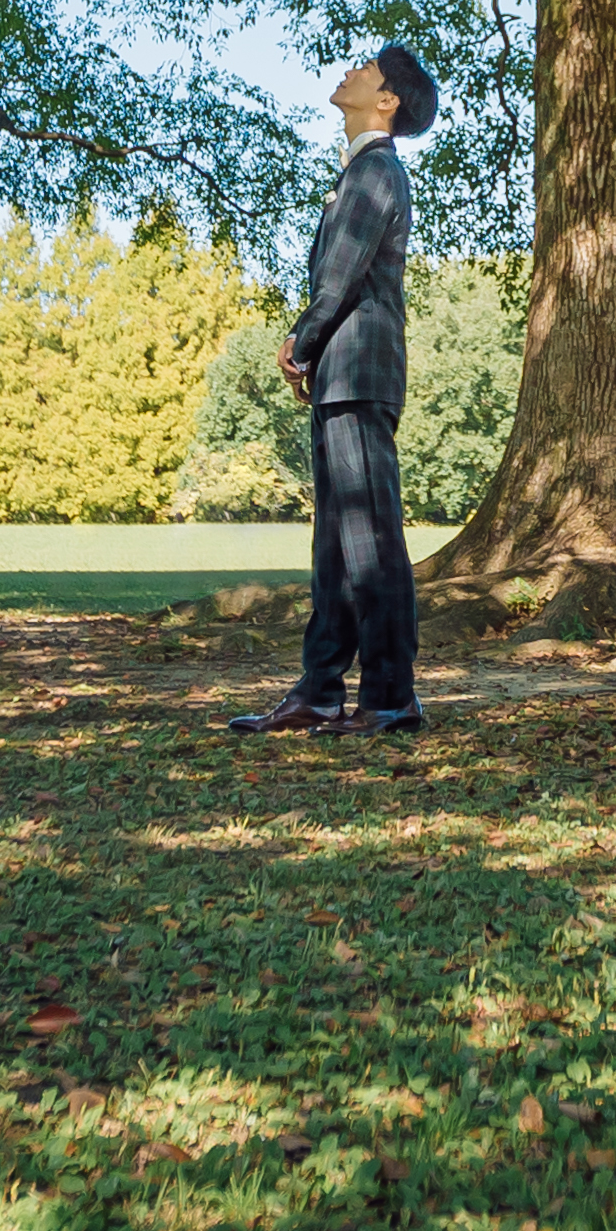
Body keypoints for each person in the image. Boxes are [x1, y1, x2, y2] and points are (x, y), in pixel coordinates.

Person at [229, 42, 433, 735]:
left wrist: (301, 341)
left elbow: (340, 277)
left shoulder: (377, 172)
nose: (350, 71)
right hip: (339, 377)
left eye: (367, 70)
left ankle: (390, 696)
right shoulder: (360, 173)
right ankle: (319, 689)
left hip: (359, 372)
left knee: (370, 540)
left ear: (387, 101)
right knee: (337, 547)